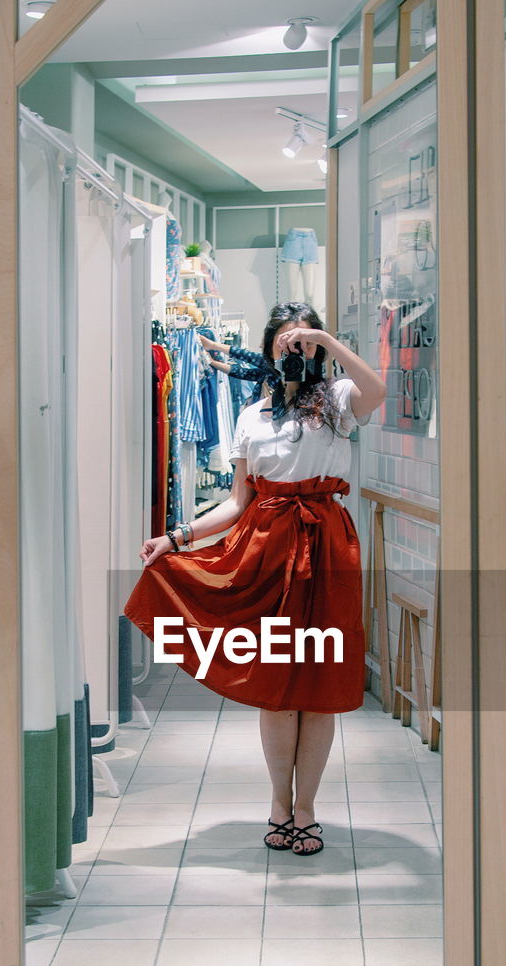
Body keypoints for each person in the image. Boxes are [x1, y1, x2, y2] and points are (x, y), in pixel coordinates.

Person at [124, 302, 387, 856]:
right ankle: (278, 804)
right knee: (276, 689)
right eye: (287, 340)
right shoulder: (251, 416)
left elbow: (376, 389)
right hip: (267, 550)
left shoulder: (337, 403)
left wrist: (328, 341)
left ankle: (307, 808)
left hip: (328, 552)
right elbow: (238, 504)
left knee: (316, 689)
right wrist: (176, 538)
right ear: (269, 347)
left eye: (305, 341)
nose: (297, 349)